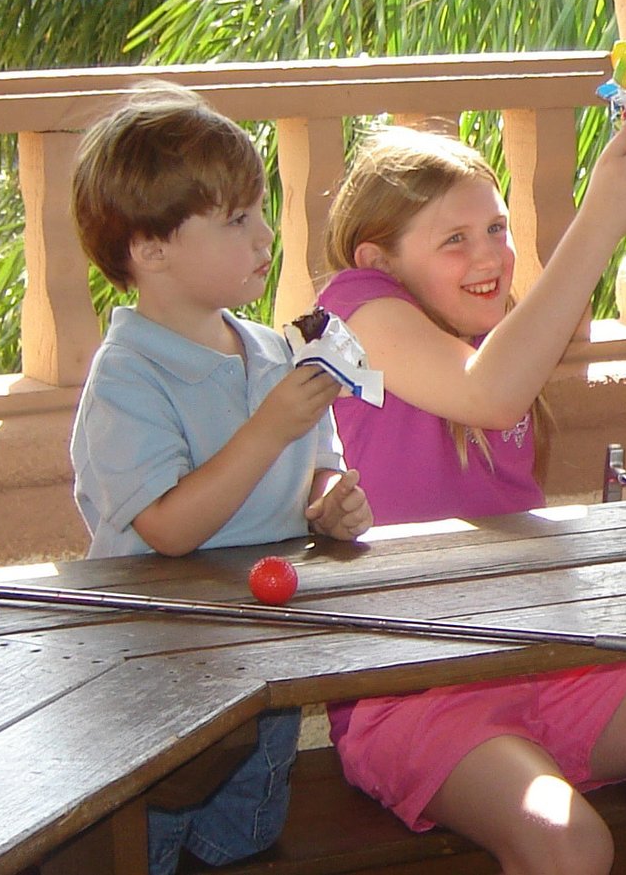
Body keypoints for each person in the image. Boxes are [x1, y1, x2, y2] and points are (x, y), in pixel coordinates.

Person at [313, 120, 626, 875]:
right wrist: (601, 216)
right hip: (414, 687)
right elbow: (493, 395)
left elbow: (544, 326)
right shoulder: (353, 307)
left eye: (497, 228)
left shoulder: (487, 332)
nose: (489, 256)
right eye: (455, 239)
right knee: (568, 841)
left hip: (548, 656)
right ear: (380, 258)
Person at [67, 83, 375, 875]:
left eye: (259, 210)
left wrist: (329, 504)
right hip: (156, 670)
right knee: (150, 846)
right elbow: (167, 528)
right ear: (150, 247)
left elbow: (318, 467)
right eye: (236, 219)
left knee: (243, 844)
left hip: (263, 652)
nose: (264, 234)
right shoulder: (127, 377)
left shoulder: (274, 352)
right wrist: (269, 426)